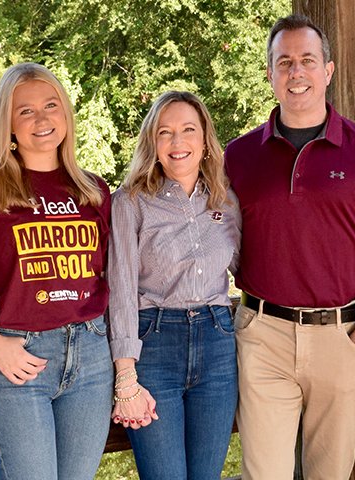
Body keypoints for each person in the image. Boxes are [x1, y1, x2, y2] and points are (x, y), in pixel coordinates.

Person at [224, 14, 355, 479]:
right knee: (263, 474)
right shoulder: (236, 156)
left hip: (342, 335)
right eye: (284, 61)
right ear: (269, 73)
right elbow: (217, 239)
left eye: (307, 60)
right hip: (263, 334)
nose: (296, 72)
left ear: (327, 71)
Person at [0, 62, 113, 480]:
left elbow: (111, 277)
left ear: (66, 114)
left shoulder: (94, 191)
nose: (41, 119)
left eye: (51, 105)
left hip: (91, 355)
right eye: (25, 111)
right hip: (15, 356)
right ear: (8, 125)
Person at [108, 91, 241, 479]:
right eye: (165, 132)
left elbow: (250, 270)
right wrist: (125, 375)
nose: (177, 142)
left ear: (204, 140)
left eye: (188, 130)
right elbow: (121, 290)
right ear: (153, 142)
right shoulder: (130, 202)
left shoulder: (225, 200)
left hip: (218, 343)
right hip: (155, 347)